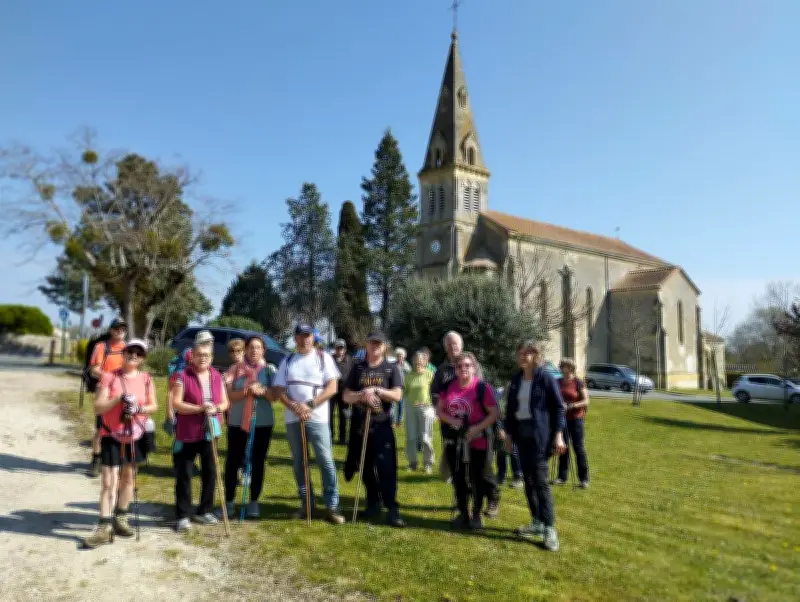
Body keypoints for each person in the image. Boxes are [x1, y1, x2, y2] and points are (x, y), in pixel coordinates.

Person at [83, 338, 158, 548]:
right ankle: (104, 526)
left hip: (136, 434)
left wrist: (138, 409)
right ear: (123, 353)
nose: (134, 356)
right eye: (130, 352)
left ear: (142, 358)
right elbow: (98, 407)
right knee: (109, 482)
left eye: (139, 353)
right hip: (112, 434)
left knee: (128, 478)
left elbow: (154, 406)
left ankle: (121, 518)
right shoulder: (109, 377)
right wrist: (118, 400)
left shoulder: (146, 378)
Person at [273, 324, 345, 525]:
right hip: (293, 417)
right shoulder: (287, 360)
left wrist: (310, 404)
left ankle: (332, 505)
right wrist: (294, 406)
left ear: (313, 338)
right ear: (295, 339)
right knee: (299, 462)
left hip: (318, 417)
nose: (304, 339)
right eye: (300, 336)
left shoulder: (324, 358)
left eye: (308, 336)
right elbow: (279, 388)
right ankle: (307, 503)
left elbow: (332, 388)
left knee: (326, 461)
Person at [504, 340, 567, 552]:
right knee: (528, 480)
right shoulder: (516, 380)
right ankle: (536, 521)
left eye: (525, 354)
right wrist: (508, 435)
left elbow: (559, 408)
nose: (521, 357)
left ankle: (549, 528)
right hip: (521, 438)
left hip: (540, 438)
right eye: (518, 354)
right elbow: (511, 409)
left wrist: (558, 436)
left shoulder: (545, 378)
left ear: (534, 355)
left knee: (540, 481)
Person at [342, 331, 406, 527]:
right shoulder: (358, 368)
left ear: (384, 347)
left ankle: (392, 508)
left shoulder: (391, 368)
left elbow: (397, 395)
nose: (375, 347)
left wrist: (377, 390)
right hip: (360, 426)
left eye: (379, 344)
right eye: (372, 343)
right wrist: (361, 395)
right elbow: (345, 396)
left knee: (386, 468)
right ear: (366, 345)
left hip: (382, 426)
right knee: (364, 467)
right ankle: (372, 502)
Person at [171, 330, 230, 532]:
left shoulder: (216, 376)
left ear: (211, 358)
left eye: (206, 356)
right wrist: (199, 409)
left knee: (210, 472)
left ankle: (204, 510)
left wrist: (216, 408)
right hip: (187, 431)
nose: (203, 358)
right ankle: (182, 515)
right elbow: (177, 403)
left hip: (209, 431)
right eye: (199, 355)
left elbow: (225, 402)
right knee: (185, 474)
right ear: (192, 356)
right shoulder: (183, 375)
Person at [437, 351, 499, 530]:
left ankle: (477, 514)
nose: (463, 368)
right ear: (455, 369)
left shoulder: (482, 387)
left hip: (478, 441)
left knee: (477, 479)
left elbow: (494, 413)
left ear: (474, 368)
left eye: (467, 365)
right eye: (459, 366)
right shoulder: (448, 386)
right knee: (458, 479)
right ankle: (464, 513)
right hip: (455, 441)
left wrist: (475, 429)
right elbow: (439, 411)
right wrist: (453, 421)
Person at [222, 335, 276, 519]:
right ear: (245, 349)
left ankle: (253, 502)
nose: (254, 351)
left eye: (258, 347)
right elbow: (229, 395)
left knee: (258, 462)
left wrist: (262, 391)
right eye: (250, 347)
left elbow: (275, 396)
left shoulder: (269, 370)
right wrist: (247, 391)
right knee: (232, 461)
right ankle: (229, 502)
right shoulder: (234, 369)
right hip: (237, 421)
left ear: (263, 350)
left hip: (262, 422)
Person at [87, 317, 128, 477]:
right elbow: (94, 370)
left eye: (123, 329)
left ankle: (114, 458)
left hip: (121, 392)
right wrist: (111, 377)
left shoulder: (127, 348)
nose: (121, 331)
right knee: (101, 428)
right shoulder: (101, 347)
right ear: (111, 330)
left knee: (120, 426)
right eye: (117, 328)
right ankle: (96, 460)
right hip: (103, 391)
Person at [556, 358, 590, 488]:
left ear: (570, 368)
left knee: (578, 448)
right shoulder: (557, 382)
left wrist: (571, 406)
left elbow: (586, 401)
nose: (560, 367)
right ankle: (562, 477)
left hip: (576, 419)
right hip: (561, 419)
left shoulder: (578, 383)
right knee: (562, 448)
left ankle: (584, 479)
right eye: (560, 365)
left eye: (563, 366)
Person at [404, 351, 436, 473]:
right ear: (413, 361)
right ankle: (412, 463)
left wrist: (430, 405)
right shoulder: (409, 375)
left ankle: (428, 463)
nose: (418, 362)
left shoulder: (429, 374)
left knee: (425, 437)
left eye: (420, 360)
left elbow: (434, 393)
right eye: (416, 360)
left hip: (426, 408)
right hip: (411, 408)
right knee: (411, 437)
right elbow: (404, 392)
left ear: (424, 361)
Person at [495, 384, 524, 489]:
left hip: (515, 424)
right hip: (501, 423)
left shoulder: (520, 396)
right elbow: (495, 413)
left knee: (514, 450)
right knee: (501, 450)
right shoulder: (498, 394)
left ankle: (518, 476)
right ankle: (501, 475)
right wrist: (500, 429)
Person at [330, 339, 353, 445]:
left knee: (343, 415)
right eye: (338, 348)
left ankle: (343, 438)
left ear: (345, 349)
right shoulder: (330, 359)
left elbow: (352, 376)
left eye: (342, 348)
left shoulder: (349, 360)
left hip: (344, 392)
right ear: (335, 349)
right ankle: (330, 437)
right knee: (329, 414)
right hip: (331, 391)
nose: (340, 350)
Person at [392, 347, 411, 427]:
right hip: (393, 387)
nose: (399, 357)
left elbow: (410, 375)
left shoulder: (406, 366)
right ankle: (392, 421)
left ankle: (399, 422)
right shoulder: (393, 365)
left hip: (402, 387)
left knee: (400, 405)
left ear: (403, 356)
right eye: (398, 355)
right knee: (392, 405)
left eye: (401, 356)